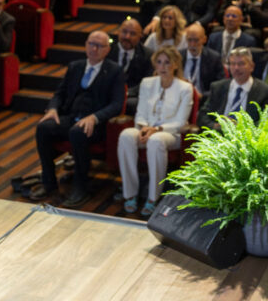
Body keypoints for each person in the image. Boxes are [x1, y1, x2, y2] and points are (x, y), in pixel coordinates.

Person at [31, 31, 125, 207]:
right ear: (86, 45)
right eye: (91, 44)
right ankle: (49, 183)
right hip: (72, 116)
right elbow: (60, 93)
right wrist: (52, 109)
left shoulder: (114, 71)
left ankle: (80, 188)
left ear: (107, 50)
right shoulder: (75, 66)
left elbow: (117, 104)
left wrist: (95, 117)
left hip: (96, 125)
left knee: (77, 133)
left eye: (99, 46)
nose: (94, 48)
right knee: (43, 127)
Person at [118, 46, 193, 217]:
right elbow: (141, 112)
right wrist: (144, 127)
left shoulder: (185, 88)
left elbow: (181, 122)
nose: (163, 67)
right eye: (159, 63)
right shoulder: (147, 83)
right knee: (126, 135)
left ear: (175, 65)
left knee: (156, 140)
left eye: (167, 63)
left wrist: (156, 129)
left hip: (171, 134)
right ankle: (130, 193)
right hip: (147, 128)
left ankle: (153, 197)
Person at [108, 18, 154, 112]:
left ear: (140, 36)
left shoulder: (148, 55)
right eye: (124, 32)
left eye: (133, 34)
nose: (127, 37)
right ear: (118, 32)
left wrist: (126, 92)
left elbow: (147, 81)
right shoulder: (107, 50)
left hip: (132, 95)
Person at [180, 24, 223, 101]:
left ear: (204, 39)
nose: (192, 44)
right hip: (179, 97)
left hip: (203, 100)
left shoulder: (214, 58)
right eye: (189, 40)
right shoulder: (178, 57)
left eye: (196, 40)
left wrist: (203, 96)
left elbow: (220, 86)